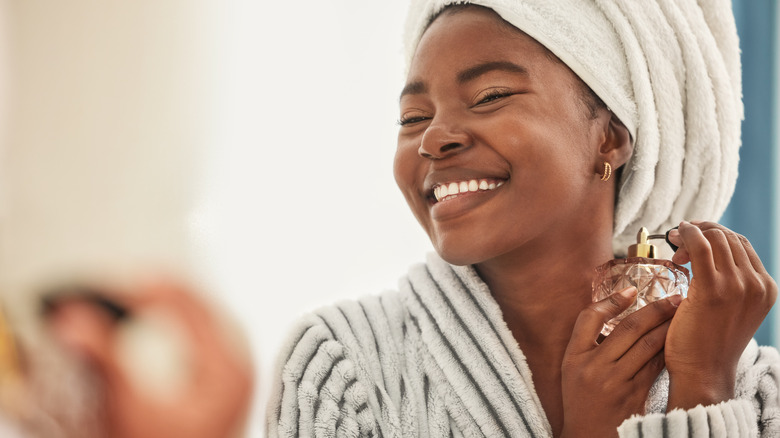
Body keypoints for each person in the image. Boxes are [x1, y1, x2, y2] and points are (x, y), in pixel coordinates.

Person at [266, 1, 779, 437]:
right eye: (413, 118)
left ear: (610, 138)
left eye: (490, 96)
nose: (432, 138)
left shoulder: (758, 392)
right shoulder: (340, 366)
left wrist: (703, 392)